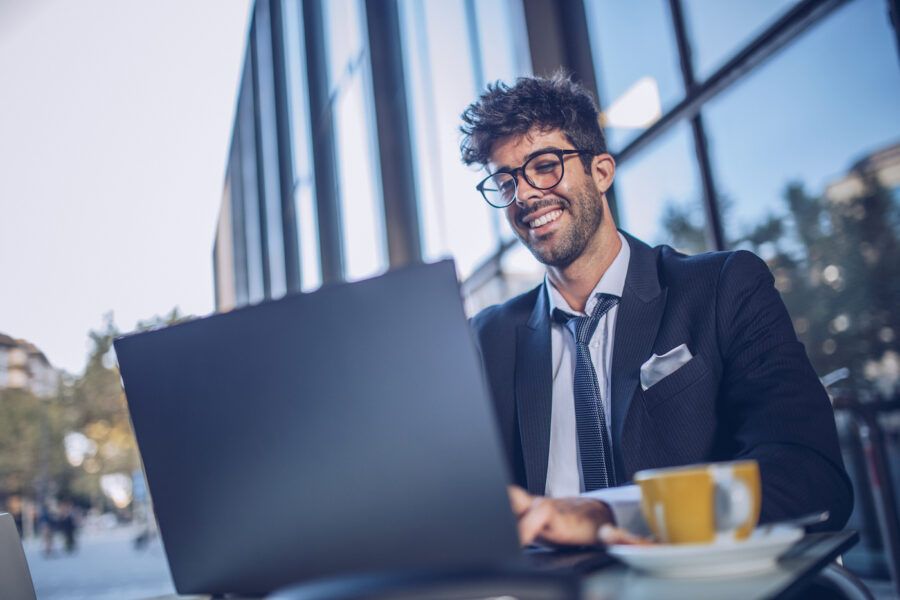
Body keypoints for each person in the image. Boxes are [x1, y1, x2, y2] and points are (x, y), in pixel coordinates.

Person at [459, 73, 853, 547]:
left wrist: (615, 513)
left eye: (544, 166)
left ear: (601, 171)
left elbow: (808, 473)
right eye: (505, 180)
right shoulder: (486, 339)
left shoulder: (722, 287)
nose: (524, 195)